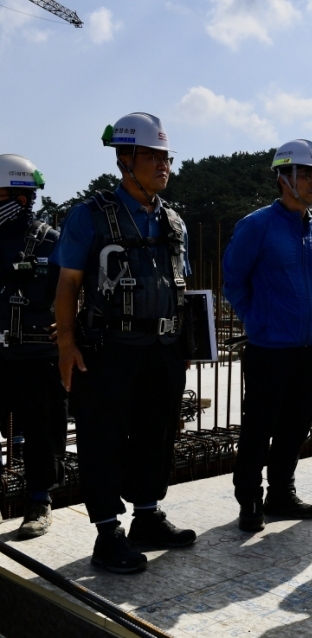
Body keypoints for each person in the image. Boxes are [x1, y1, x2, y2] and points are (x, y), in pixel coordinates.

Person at [53, 113, 195, 574]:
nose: (163, 165)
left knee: (157, 434)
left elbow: (182, 286)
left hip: (163, 347)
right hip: (110, 348)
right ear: (124, 159)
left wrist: (184, 348)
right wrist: (66, 345)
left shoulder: (173, 221)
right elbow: (68, 285)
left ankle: (148, 517)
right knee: (105, 437)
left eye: (166, 157)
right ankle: (107, 531)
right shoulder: (89, 216)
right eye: (153, 156)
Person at [222, 139, 312, 532]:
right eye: (307, 174)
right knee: (259, 425)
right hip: (269, 347)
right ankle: (249, 497)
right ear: (284, 177)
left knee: (297, 423)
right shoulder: (256, 226)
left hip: (309, 346)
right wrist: (258, 319)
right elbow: (233, 281)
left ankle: (280, 493)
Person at [0, 155, 67, 539]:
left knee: (43, 431)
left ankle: (39, 502)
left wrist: (71, 323)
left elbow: (76, 286)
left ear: (21, 196)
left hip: (37, 355)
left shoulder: (50, 241)